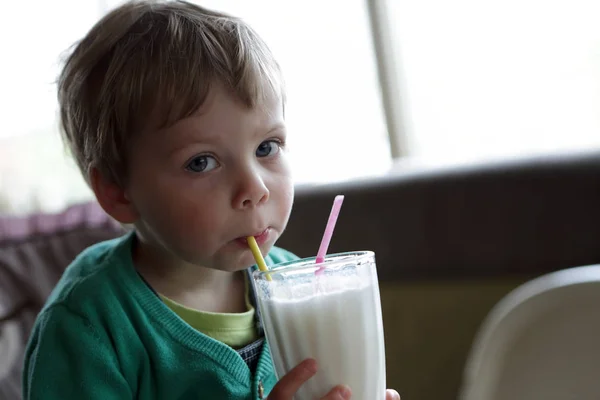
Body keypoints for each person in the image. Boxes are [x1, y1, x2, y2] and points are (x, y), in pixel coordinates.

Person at [22, 1, 401, 399]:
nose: (254, 188)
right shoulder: (88, 328)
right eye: (201, 162)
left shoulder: (296, 286)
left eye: (267, 146)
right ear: (118, 191)